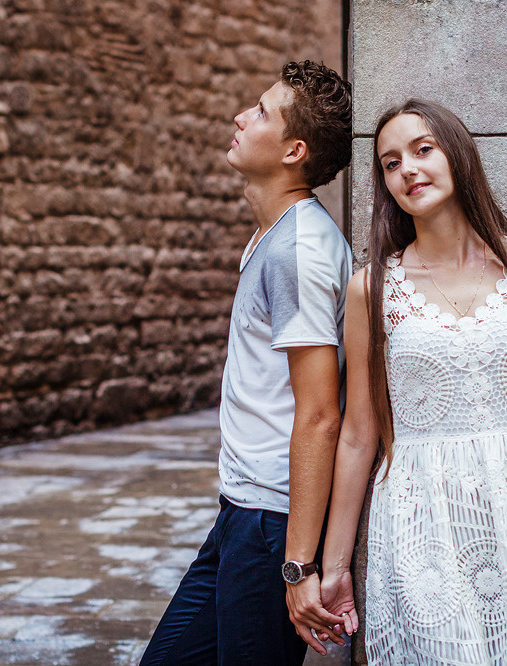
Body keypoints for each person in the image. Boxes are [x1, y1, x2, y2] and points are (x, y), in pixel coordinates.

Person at [299, 99, 507, 664]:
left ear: (458, 154)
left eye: (423, 149)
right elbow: (357, 435)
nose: (408, 170)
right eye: (390, 163)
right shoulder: (372, 290)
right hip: (424, 516)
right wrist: (334, 564)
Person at [139, 60, 353, 665]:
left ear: (293, 150)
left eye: (261, 111)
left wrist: (298, 564)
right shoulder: (272, 234)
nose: (240, 115)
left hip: (271, 522)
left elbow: (319, 415)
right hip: (243, 512)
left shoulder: (298, 252)